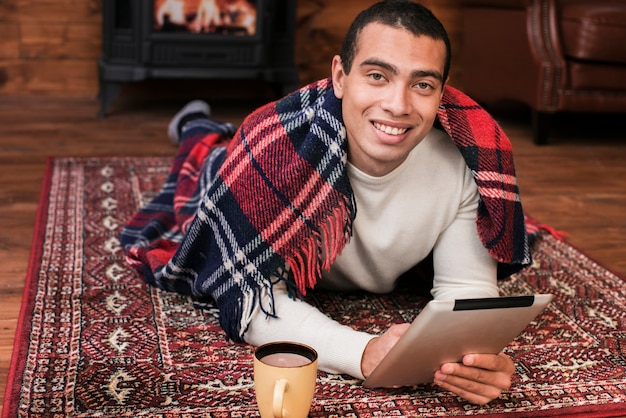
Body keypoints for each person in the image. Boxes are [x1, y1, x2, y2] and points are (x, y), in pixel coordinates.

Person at [121, 0, 531, 405]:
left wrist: (476, 357)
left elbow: (467, 293)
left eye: (422, 84)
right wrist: (362, 351)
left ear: (441, 92)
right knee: (199, 166)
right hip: (241, 170)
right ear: (340, 76)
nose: (398, 105)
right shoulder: (273, 149)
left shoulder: (468, 161)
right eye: (377, 76)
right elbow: (251, 298)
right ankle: (195, 126)